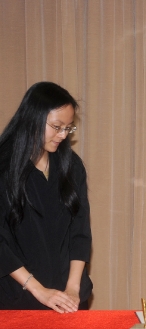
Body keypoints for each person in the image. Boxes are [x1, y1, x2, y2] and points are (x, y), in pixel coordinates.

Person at [0, 82, 92, 312]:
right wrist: (38, 290)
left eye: (68, 128)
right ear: (33, 118)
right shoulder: (4, 166)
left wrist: (73, 288)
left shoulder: (71, 165)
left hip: (67, 297)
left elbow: (80, 233)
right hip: (17, 298)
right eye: (56, 126)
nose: (62, 135)